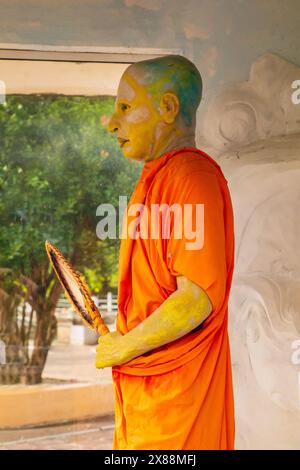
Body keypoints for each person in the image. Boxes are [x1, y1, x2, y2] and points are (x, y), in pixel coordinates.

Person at [95, 55, 235, 450]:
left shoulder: (192, 177)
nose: (112, 122)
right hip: (148, 388)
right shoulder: (156, 177)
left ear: (168, 109)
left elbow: (197, 299)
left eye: (124, 107)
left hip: (180, 397)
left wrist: (125, 345)